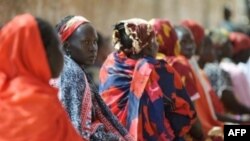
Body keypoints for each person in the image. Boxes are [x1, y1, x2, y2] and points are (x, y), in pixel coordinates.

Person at [100, 18, 195, 141]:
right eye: (155, 39)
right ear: (148, 46)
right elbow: (180, 114)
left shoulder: (109, 66)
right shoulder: (160, 70)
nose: (158, 44)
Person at [0, 13, 83, 141]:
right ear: (40, 53)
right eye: (58, 47)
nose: (62, 56)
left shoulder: (6, 92)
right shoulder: (38, 105)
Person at [55, 15, 133, 141]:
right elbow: (77, 130)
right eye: (86, 42)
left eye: (94, 42)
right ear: (67, 46)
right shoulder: (72, 74)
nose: (92, 49)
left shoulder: (65, 67)